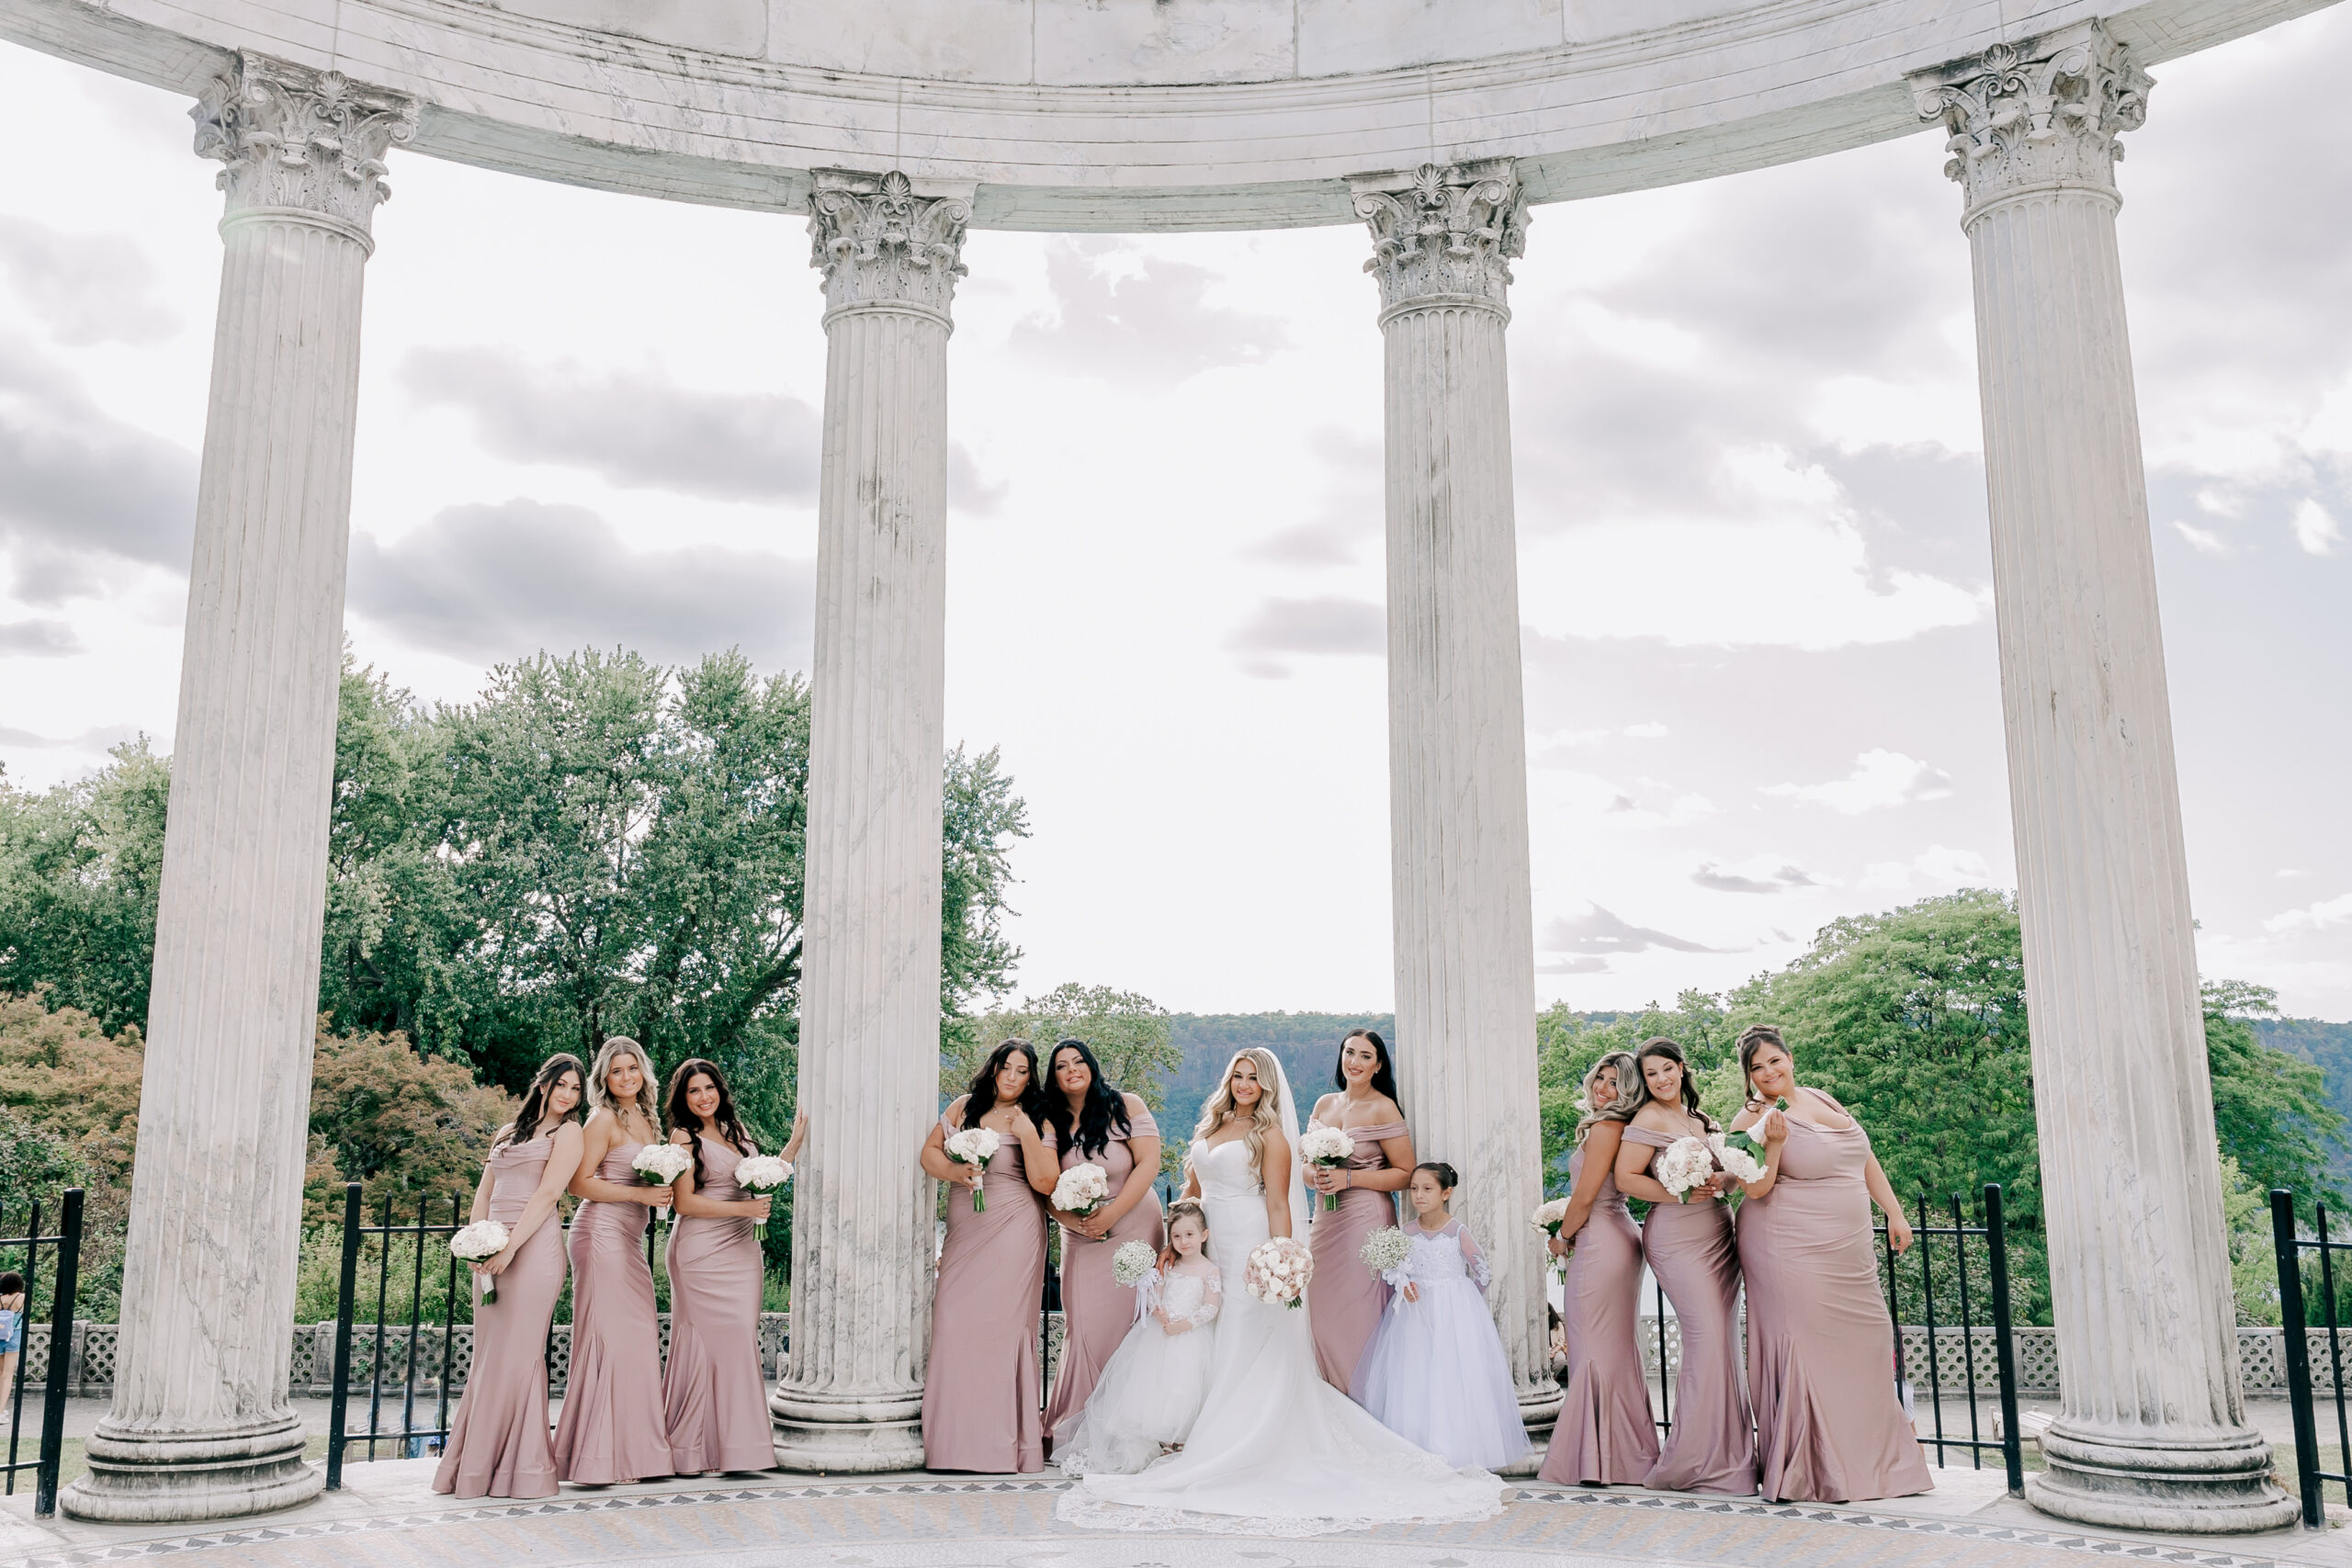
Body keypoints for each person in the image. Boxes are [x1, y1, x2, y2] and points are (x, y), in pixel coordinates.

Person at [1058, 1048, 1503, 1535]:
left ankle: (1234, 1438)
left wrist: (1282, 1259)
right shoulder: (1209, 1128)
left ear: (1267, 1086)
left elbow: (1277, 1202)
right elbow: (1191, 1191)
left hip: (1250, 1242)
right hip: (1208, 1243)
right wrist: (1173, 1241)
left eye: (1253, 1078)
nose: (1244, 1084)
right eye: (1237, 1076)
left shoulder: (1270, 1135)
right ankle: (1193, 1433)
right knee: (1211, 1335)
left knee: (1246, 1338)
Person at [1730, 1024, 1932, 1504]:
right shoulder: (1750, 1118)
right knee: (1807, 1350)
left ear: (1790, 1058)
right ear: (1749, 1076)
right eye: (1756, 1068)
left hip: (1849, 1248)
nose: (1768, 1073)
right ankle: (1812, 1469)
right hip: (1788, 1245)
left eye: (1774, 1061)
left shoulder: (1822, 1097)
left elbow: (1863, 1157)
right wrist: (1774, 1143)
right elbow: (1754, 1188)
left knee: (1871, 1338)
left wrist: (1895, 1211)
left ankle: (1878, 1464)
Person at [434, 1054, 587, 1499]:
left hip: (533, 1251)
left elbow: (548, 1195)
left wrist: (510, 1247)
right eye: (562, 1084)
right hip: (491, 1255)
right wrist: (478, 1244)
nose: (568, 1095)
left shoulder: (570, 1132)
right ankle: (474, 1468)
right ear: (543, 1084)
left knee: (519, 1357)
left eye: (576, 1089)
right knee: (489, 1358)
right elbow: (485, 1193)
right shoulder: (506, 1133)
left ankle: (521, 1470)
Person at [1610, 1037, 1757, 1495]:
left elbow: (1732, 1173)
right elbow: (1625, 1179)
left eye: (1667, 1069)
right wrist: (1679, 1193)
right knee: (1707, 1337)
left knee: (1725, 1340)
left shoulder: (1698, 1117)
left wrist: (1724, 1178)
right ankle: (1693, 1460)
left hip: (1718, 1230)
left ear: (1681, 1068)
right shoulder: (1647, 1119)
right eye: (1651, 1074)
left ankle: (1731, 1456)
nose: (1661, 1079)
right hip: (1677, 1237)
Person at [919, 1037, 1060, 1472]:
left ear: (1031, 1076)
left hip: (1014, 1228)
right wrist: (956, 1171)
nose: (1013, 1078)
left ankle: (1004, 1447)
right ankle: (951, 1446)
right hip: (967, 1226)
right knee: (952, 1322)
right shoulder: (964, 1106)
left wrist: (1026, 1133)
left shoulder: (1039, 1116)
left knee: (1003, 1333)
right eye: (1006, 1068)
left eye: (1022, 1071)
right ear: (993, 1067)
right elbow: (929, 1155)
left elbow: (1047, 1182)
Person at [662, 1057, 802, 1477]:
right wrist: (743, 1208)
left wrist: (793, 1144)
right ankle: (691, 1450)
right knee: (706, 1346)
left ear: (720, 1090)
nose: (704, 1097)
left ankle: (739, 1450)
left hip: (743, 1252)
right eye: (694, 1091)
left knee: (740, 1340)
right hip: (700, 1251)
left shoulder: (736, 1133)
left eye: (709, 1088)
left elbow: (766, 1175)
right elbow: (684, 1203)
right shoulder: (682, 1138)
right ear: (683, 1098)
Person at [552, 1036, 676, 1485]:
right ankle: (601, 1457)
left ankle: (633, 1452)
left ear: (643, 1072)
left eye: (633, 1069)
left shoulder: (647, 1118)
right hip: (599, 1233)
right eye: (616, 1071)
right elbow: (578, 1184)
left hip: (629, 1236)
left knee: (640, 1335)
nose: (626, 1077)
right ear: (604, 1078)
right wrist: (638, 1194)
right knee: (608, 1340)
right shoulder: (601, 1118)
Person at [1351, 1162, 1528, 1472]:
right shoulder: (1406, 1232)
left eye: (1427, 1189)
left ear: (1446, 1193)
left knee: (1451, 1373)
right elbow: (1396, 1272)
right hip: (1415, 1315)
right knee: (1415, 1372)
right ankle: (1416, 1444)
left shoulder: (1457, 1231)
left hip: (1453, 1311)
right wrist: (1405, 1286)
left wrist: (1463, 1298)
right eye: (1415, 1189)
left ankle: (1456, 1447)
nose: (1419, 1195)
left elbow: (1482, 1271)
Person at [1537, 1052, 1658, 1486]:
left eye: (1614, 1083)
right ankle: (1621, 1456)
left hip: (1600, 1239)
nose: (1602, 1089)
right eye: (1599, 1079)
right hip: (1614, 1236)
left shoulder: (1608, 1127)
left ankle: (1599, 1460)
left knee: (1591, 1348)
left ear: (1628, 1091)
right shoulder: (1616, 1125)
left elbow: (1585, 1197)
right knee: (1611, 1348)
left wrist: (1561, 1237)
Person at [1040, 1037, 1164, 1447]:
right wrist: (1073, 1222)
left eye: (1079, 1061)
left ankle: (1134, 1429)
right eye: (1061, 1065)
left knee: (1135, 1325)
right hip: (1081, 1237)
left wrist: (1112, 1213)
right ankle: (1077, 1426)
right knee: (1087, 1329)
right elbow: (1040, 1186)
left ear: (1091, 1066)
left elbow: (1149, 1163)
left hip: (1135, 1228)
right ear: (1053, 1076)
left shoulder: (1126, 1105)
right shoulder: (1048, 1121)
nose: (1072, 1069)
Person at [1055, 1200, 1222, 1476]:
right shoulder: (1168, 1266)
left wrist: (1185, 1324)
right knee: (1157, 1385)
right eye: (1177, 1236)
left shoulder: (1209, 1270)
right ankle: (1163, 1442)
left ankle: (1181, 1441)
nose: (1183, 1241)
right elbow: (1156, 1293)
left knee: (1185, 1388)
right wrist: (1159, 1311)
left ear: (1204, 1235)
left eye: (1190, 1235)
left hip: (1190, 1337)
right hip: (1160, 1336)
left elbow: (1211, 1306)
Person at [1303, 1028, 1414, 1393]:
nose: (1355, 1062)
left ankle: (1364, 1400)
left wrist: (1349, 1179)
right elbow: (1304, 1167)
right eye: (1350, 1052)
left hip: (1365, 1220)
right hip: (1325, 1221)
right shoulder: (1323, 1104)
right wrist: (1316, 1177)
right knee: (1321, 1311)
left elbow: (1404, 1174)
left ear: (1378, 1065)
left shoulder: (1383, 1106)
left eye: (1365, 1056)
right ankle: (1330, 1398)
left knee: (1359, 1314)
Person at [0, 1270, 23, 1401]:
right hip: (14, 1335)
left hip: (0, 1336)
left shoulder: (1, 1299)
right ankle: (1, 1412)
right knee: (8, 1375)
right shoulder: (21, 1297)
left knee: (0, 1373)